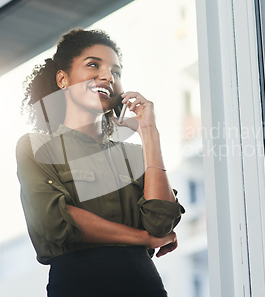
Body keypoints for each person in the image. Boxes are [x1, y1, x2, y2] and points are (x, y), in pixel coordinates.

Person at [16, 28, 186, 297]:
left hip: (144, 286)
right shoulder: (36, 147)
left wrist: (149, 131)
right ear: (63, 79)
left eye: (116, 72)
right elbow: (55, 221)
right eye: (93, 65)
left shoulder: (133, 156)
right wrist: (142, 239)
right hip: (77, 285)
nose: (108, 76)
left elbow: (161, 224)